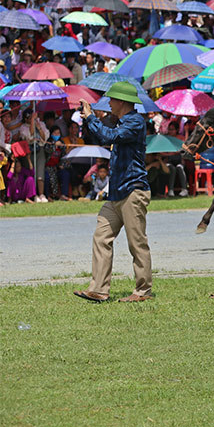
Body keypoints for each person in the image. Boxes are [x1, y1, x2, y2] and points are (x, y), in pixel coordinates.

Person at [73, 81, 153, 303]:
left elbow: (108, 137)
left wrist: (91, 118)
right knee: (101, 237)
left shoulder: (135, 122)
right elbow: (107, 133)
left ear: (121, 102)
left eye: (111, 98)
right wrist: (91, 117)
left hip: (133, 190)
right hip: (116, 192)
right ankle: (98, 289)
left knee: (136, 243)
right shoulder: (121, 122)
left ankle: (143, 291)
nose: (108, 102)